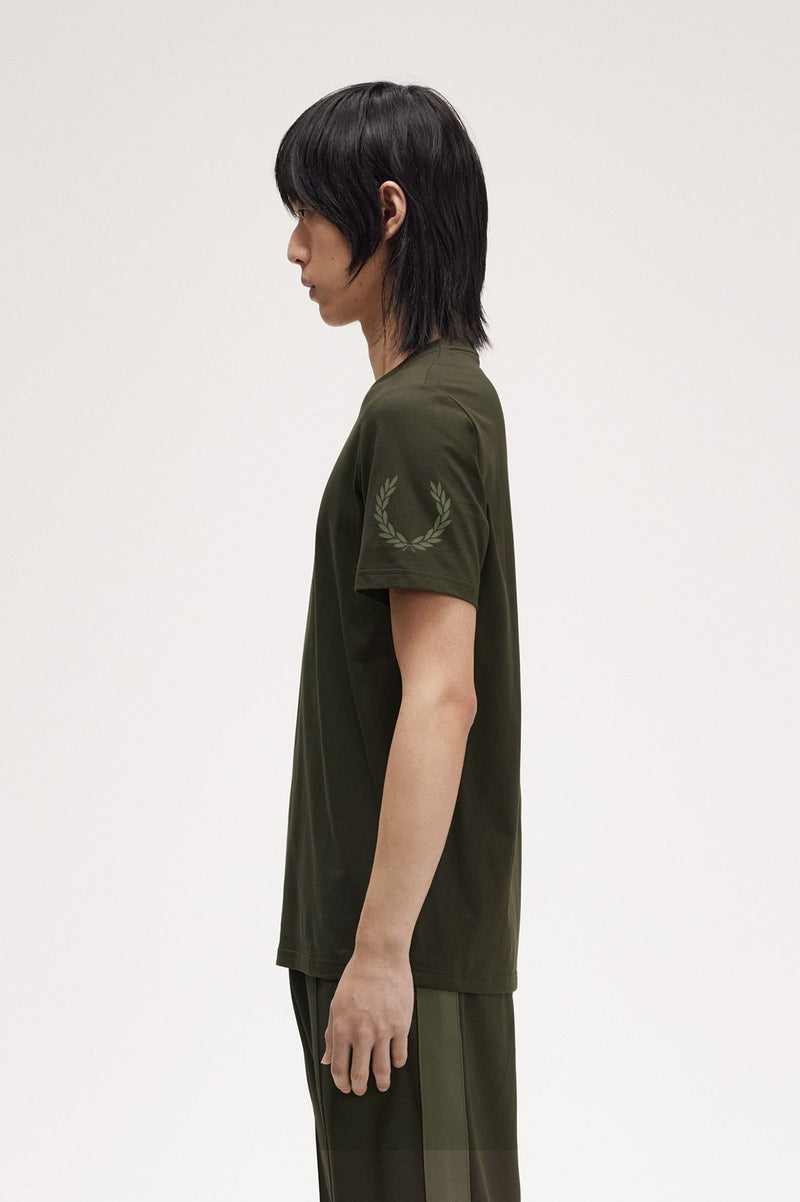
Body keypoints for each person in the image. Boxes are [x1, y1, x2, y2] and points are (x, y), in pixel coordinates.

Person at [273, 80, 523, 1202]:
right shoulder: (436, 400)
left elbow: (440, 694)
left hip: (399, 945)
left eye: (307, 212)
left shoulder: (419, 413)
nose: (294, 247)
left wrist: (378, 952)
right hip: (400, 937)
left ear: (385, 208)